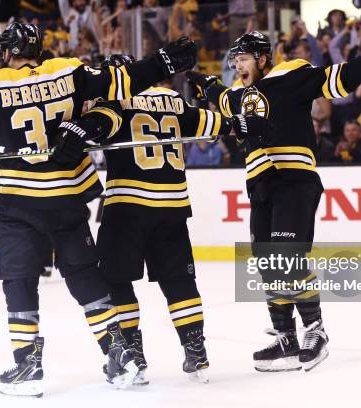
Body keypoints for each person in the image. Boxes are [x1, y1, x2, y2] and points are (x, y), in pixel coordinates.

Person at [0, 22, 197, 397]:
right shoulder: (68, 71)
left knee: (20, 280)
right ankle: (121, 353)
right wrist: (161, 64)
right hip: (67, 197)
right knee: (84, 276)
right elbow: (123, 80)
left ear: (9, 52)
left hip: (21, 203)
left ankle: (28, 364)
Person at [186, 29, 361, 372]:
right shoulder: (239, 94)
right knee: (268, 264)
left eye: (243, 59)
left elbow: (338, 80)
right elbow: (223, 98)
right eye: (234, 60)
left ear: (262, 58)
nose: (238, 65)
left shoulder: (292, 74)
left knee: (288, 256)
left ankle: (315, 330)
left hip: (294, 180)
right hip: (259, 184)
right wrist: (206, 83)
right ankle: (286, 336)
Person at [68, 55, 248, 385]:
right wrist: (237, 121)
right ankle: (197, 353)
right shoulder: (173, 100)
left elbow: (89, 130)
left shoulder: (115, 102)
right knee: (179, 281)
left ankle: (133, 356)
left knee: (115, 280)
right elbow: (214, 124)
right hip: (173, 207)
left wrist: (66, 133)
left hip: (128, 208)